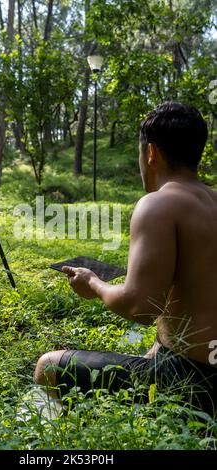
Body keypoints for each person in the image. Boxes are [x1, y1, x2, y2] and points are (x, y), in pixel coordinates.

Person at [34, 101, 217, 415]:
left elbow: (140, 307)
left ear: (151, 153)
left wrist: (93, 283)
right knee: (149, 355)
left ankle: (48, 444)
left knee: (47, 366)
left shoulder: (158, 204)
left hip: (192, 383)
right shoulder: (210, 201)